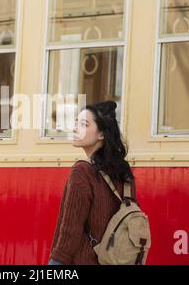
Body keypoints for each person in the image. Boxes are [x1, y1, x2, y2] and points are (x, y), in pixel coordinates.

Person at [48, 101, 136, 265]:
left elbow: (70, 232)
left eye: (84, 124)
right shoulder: (125, 174)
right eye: (76, 123)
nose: (75, 129)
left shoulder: (82, 172)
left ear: (101, 134)